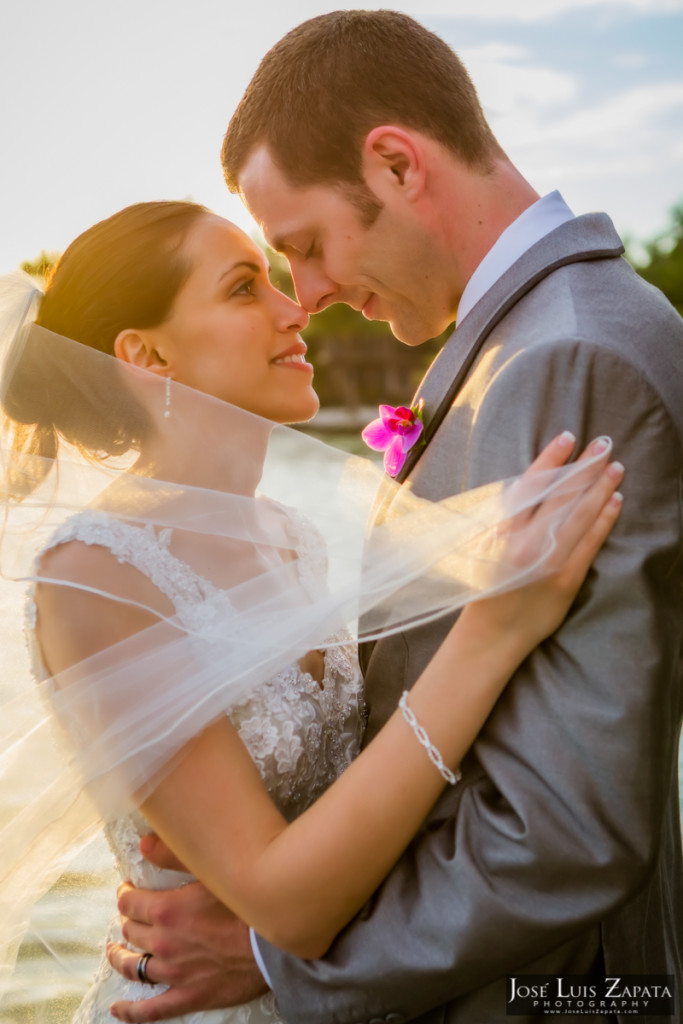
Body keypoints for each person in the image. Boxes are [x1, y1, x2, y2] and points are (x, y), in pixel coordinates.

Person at [108, 10, 683, 1024]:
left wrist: (280, 957)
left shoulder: (562, 360)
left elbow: (562, 827)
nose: (310, 295)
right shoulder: (547, 336)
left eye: (305, 247)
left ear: (395, 165)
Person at [0, 201, 621, 1024]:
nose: (295, 308)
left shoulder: (290, 535)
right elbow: (284, 902)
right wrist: (495, 629)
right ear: (146, 356)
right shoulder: (94, 576)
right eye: (243, 288)